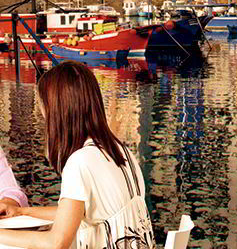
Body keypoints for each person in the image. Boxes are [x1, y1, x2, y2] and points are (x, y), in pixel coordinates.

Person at [0, 61, 155, 249]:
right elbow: (76, 214)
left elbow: (56, 243)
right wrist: (22, 211)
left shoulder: (80, 162)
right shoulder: (119, 151)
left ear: (56, 110)